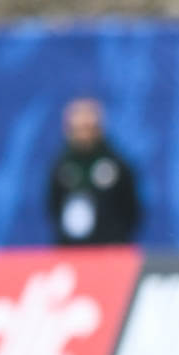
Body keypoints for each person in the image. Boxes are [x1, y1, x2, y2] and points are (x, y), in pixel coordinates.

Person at [47, 98, 141, 245]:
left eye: (88, 128)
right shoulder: (61, 168)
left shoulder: (116, 165)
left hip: (110, 249)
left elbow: (130, 209)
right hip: (71, 250)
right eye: (78, 129)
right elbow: (53, 207)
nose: (83, 135)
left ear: (99, 128)